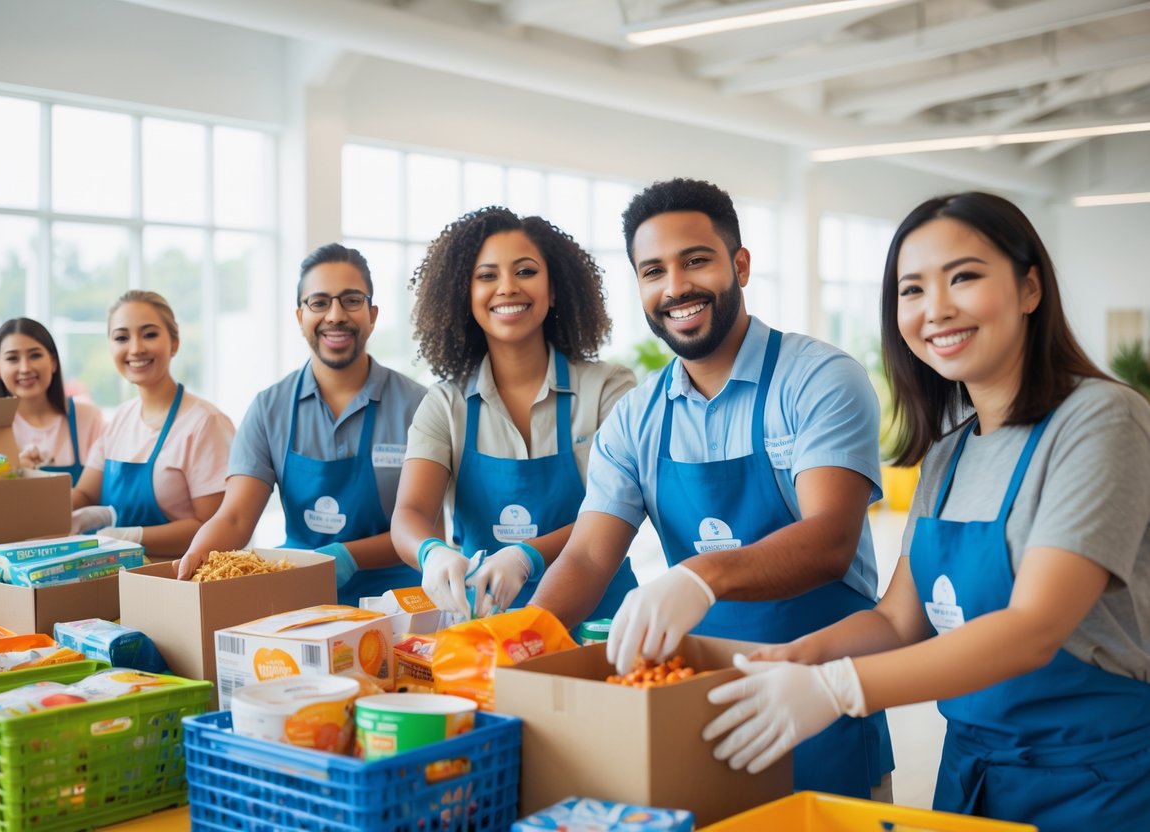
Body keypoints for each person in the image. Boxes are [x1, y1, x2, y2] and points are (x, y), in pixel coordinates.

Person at [702, 192, 1150, 831]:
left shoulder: (1100, 420)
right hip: (972, 777)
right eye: (911, 290)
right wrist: (798, 659)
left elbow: (1034, 628)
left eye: (963, 277)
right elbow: (897, 620)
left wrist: (840, 691)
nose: (936, 309)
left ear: (1029, 289)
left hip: (1097, 784)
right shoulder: (947, 456)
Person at [530, 178, 893, 799]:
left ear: (740, 264)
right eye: (653, 271)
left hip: (819, 698)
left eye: (695, 260)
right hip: (697, 709)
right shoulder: (637, 418)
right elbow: (590, 555)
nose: (675, 288)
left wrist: (700, 577)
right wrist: (519, 646)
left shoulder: (819, 380)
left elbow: (831, 538)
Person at [391, 206, 638, 621]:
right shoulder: (445, 405)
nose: (507, 287)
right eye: (487, 276)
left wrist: (527, 556)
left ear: (554, 288)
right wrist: (430, 553)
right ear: (464, 295)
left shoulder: (607, 390)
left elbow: (619, 510)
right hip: (487, 626)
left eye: (525, 272)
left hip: (599, 623)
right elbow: (410, 513)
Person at [178, 244, 428, 603]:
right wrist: (199, 552)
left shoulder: (417, 407)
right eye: (319, 302)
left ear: (372, 315)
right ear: (300, 318)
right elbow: (234, 519)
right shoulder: (269, 409)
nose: (335, 315)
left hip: (398, 600)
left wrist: (348, 556)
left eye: (352, 300)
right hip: (297, 594)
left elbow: (426, 528)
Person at [70, 291, 235, 558]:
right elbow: (85, 494)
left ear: (174, 343)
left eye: (149, 334)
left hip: (178, 583)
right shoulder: (119, 420)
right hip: (117, 580)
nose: (135, 348)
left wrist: (129, 536)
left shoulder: (205, 424)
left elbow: (216, 528)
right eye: (122, 337)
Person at [0, 317, 105, 486]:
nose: (25, 368)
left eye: (35, 355)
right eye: (12, 358)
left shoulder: (88, 417)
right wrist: (14, 469)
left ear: (53, 362)